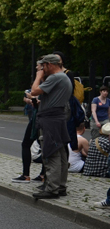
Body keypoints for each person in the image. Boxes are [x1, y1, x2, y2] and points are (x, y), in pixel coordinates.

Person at [30, 54, 72, 200]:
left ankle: (52, 188)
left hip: (50, 120)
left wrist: (38, 76)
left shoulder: (55, 77)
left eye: (43, 66)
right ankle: (61, 186)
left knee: (51, 152)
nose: (42, 69)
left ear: (50, 64)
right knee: (60, 153)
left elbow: (33, 91)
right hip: (58, 117)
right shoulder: (64, 78)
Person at [12, 90, 46, 184]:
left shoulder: (47, 83)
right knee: (44, 146)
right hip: (47, 118)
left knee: (26, 144)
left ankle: (26, 175)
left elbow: (39, 103)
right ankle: (43, 175)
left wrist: (32, 98)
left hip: (39, 118)